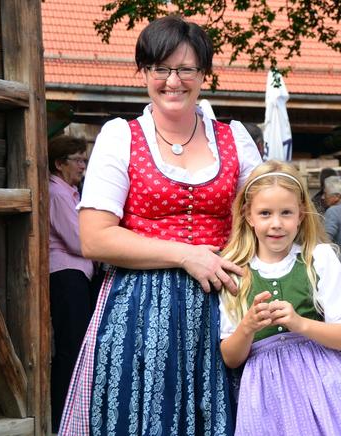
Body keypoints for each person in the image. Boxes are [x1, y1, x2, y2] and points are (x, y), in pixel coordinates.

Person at [58, 15, 262, 435]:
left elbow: (266, 216)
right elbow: (94, 238)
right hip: (140, 308)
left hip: (227, 305)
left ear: (204, 74)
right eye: (160, 68)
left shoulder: (235, 138)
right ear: (144, 73)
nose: (173, 81)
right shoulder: (121, 137)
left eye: (186, 69)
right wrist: (186, 255)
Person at [218, 161, 341, 436]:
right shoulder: (236, 272)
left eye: (286, 213)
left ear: (300, 214)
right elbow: (231, 358)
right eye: (265, 213)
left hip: (322, 389)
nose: (276, 224)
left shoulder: (319, 259)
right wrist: (248, 327)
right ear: (248, 215)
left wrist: (301, 324)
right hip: (266, 397)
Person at [47, 135, 94, 432]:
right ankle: (61, 417)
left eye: (84, 160)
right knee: (71, 347)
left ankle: (69, 415)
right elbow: (80, 242)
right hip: (66, 275)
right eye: (77, 160)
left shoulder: (71, 193)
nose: (82, 166)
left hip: (76, 275)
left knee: (76, 345)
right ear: (59, 164)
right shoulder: (58, 194)